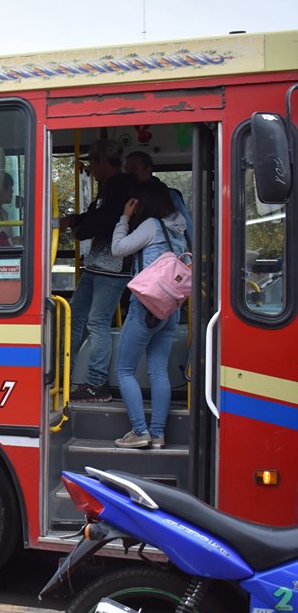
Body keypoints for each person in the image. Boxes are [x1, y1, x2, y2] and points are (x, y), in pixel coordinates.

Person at [110, 180, 188, 449]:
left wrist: (124, 218)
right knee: (159, 371)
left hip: (145, 306)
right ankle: (157, 433)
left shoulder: (151, 225)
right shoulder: (179, 229)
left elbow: (118, 249)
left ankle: (139, 431)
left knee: (124, 369)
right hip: (170, 309)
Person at [60, 139, 137, 403]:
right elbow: (96, 214)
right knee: (75, 314)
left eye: (91, 163)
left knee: (96, 321)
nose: (90, 169)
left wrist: (82, 229)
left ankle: (96, 384)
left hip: (113, 265)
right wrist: (75, 221)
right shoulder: (109, 187)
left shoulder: (121, 187)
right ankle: (64, 373)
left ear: (102, 162)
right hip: (98, 263)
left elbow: (105, 220)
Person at [125, 151, 193, 243]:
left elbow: (186, 229)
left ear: (148, 171)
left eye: (133, 169)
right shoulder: (126, 195)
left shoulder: (170, 195)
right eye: (126, 169)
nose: (128, 173)